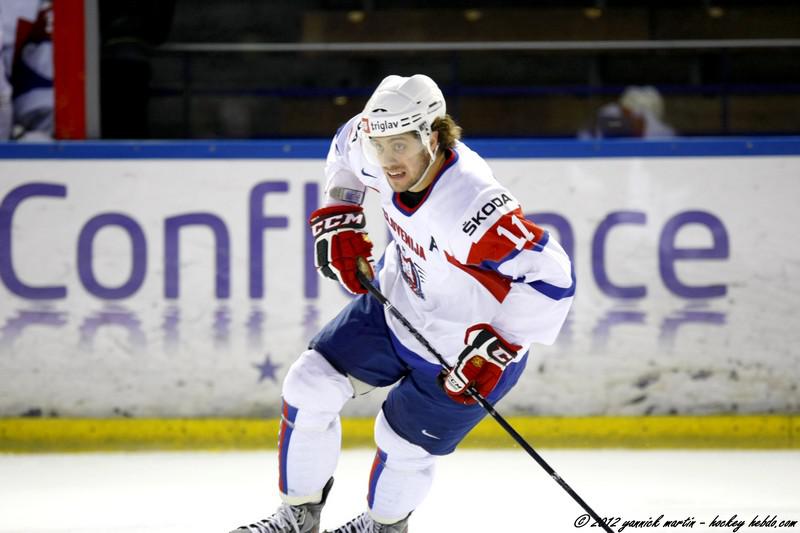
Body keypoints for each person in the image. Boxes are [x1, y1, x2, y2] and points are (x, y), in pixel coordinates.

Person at [230, 74, 575, 533]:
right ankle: (297, 518)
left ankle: (382, 526)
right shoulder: (372, 142)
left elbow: (553, 275)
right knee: (309, 384)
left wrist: (501, 343)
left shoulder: (472, 206)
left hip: (465, 352)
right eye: (382, 146)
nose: (388, 161)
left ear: (433, 136)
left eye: (401, 147)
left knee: (402, 446)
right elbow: (344, 147)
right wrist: (342, 210)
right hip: (397, 306)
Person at [579, 85, 675, 139]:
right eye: (625, 109)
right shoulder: (609, 113)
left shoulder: (659, 129)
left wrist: (639, 129)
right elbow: (585, 136)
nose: (627, 113)